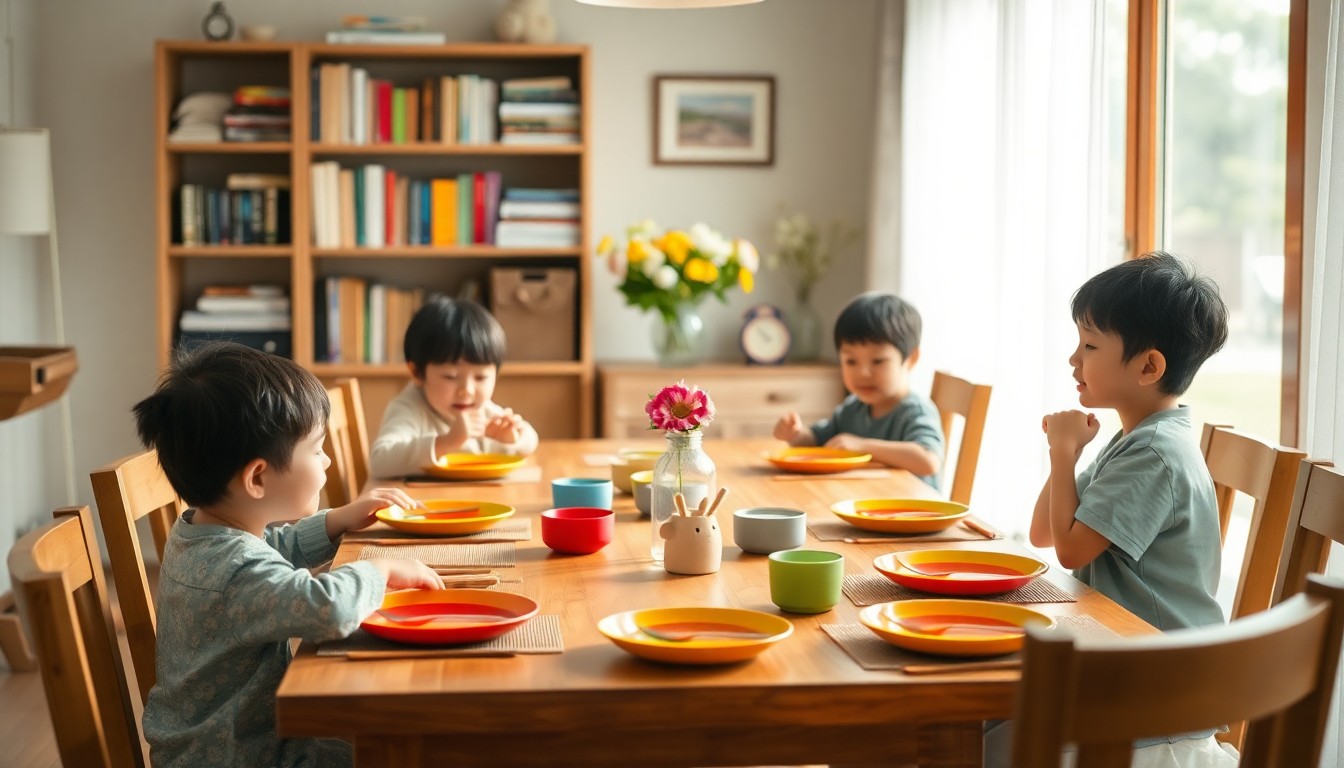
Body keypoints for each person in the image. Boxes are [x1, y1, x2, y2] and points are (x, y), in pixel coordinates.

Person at [133, 342, 443, 768]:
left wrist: (336, 520)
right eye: (316, 449)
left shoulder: (201, 533)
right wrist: (379, 567)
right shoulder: (236, 570)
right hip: (240, 754)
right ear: (257, 477)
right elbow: (326, 608)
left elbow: (271, 552)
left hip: (217, 744)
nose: (328, 460)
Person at [988, 252, 1237, 767]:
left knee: (983, 737)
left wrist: (1061, 453)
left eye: (1090, 345)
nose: (1073, 360)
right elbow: (1042, 531)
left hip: (1154, 699)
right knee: (983, 728)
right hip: (1124, 663)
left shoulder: (1153, 453)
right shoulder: (1134, 439)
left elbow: (1072, 550)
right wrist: (1069, 455)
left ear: (1148, 366)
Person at [772, 291, 944, 488]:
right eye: (851, 361)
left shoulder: (915, 411)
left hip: (911, 513)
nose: (863, 373)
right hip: (865, 504)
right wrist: (795, 435)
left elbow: (928, 460)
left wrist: (862, 445)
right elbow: (818, 441)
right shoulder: (853, 408)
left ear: (911, 359)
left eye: (878, 361)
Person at [370, 296, 539, 478]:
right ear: (417, 373)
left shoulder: (483, 409)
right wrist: (447, 442)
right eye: (450, 376)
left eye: (481, 377)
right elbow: (380, 461)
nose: (467, 390)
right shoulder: (409, 408)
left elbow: (531, 440)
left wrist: (514, 438)